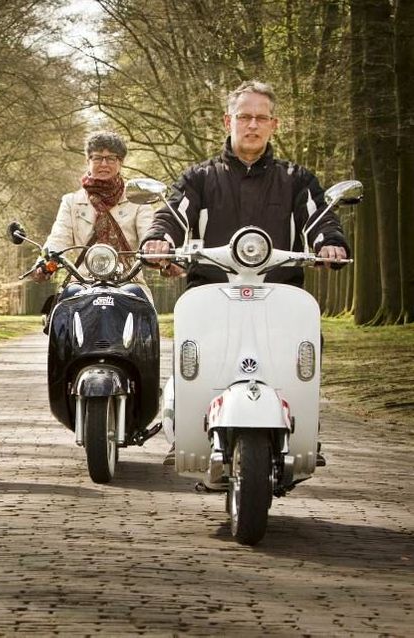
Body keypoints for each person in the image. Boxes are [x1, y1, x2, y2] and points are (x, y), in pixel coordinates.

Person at [141, 79, 350, 465]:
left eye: (260, 118)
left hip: (279, 293)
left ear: (275, 124)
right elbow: (171, 215)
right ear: (227, 121)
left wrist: (329, 242)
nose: (252, 125)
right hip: (212, 291)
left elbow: (320, 217)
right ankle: (186, 433)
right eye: (244, 117)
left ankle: (305, 430)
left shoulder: (296, 179)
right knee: (194, 354)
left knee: (306, 350)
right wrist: (158, 240)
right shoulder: (198, 178)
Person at [33, 130, 156, 307]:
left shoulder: (138, 201)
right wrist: (44, 262)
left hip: (128, 280)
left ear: (120, 162)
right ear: (88, 161)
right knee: (65, 305)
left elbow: (150, 236)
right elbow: (59, 237)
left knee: (138, 302)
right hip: (82, 281)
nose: (104, 164)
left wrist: (158, 253)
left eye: (111, 158)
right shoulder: (71, 202)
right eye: (97, 158)